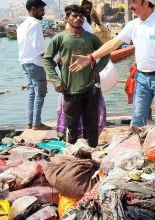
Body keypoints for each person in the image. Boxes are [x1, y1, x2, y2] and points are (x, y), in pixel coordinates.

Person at [69, 0, 155, 128]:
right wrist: (91, 57)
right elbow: (114, 43)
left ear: (146, 3)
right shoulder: (133, 24)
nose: (131, 6)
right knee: (137, 121)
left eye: (134, 2)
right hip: (141, 78)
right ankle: (139, 146)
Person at [43, 5, 109, 146]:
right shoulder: (59, 38)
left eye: (81, 16)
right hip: (69, 88)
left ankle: (91, 152)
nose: (78, 18)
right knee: (72, 127)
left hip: (91, 87)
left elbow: (105, 54)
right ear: (67, 18)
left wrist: (96, 70)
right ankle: (72, 153)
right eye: (74, 16)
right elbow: (47, 59)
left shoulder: (91, 38)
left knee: (91, 125)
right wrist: (56, 80)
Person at [17, 0, 51, 130]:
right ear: (33, 9)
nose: (43, 13)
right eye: (41, 10)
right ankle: (37, 123)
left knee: (32, 92)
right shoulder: (36, 24)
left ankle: (30, 122)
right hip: (36, 63)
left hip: (25, 62)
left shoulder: (21, 26)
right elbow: (39, 48)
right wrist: (49, 61)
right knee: (40, 93)